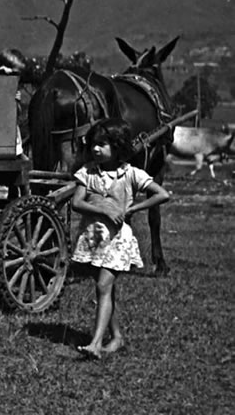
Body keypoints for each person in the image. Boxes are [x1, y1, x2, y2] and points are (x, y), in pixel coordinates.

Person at [71, 118, 171, 359]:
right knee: (106, 289)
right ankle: (116, 337)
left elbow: (162, 194)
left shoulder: (131, 174)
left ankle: (95, 344)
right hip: (94, 238)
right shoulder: (87, 173)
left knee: (103, 286)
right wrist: (104, 210)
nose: (96, 149)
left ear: (117, 147)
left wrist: (133, 209)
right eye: (93, 144)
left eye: (102, 144)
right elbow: (76, 203)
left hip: (117, 239)